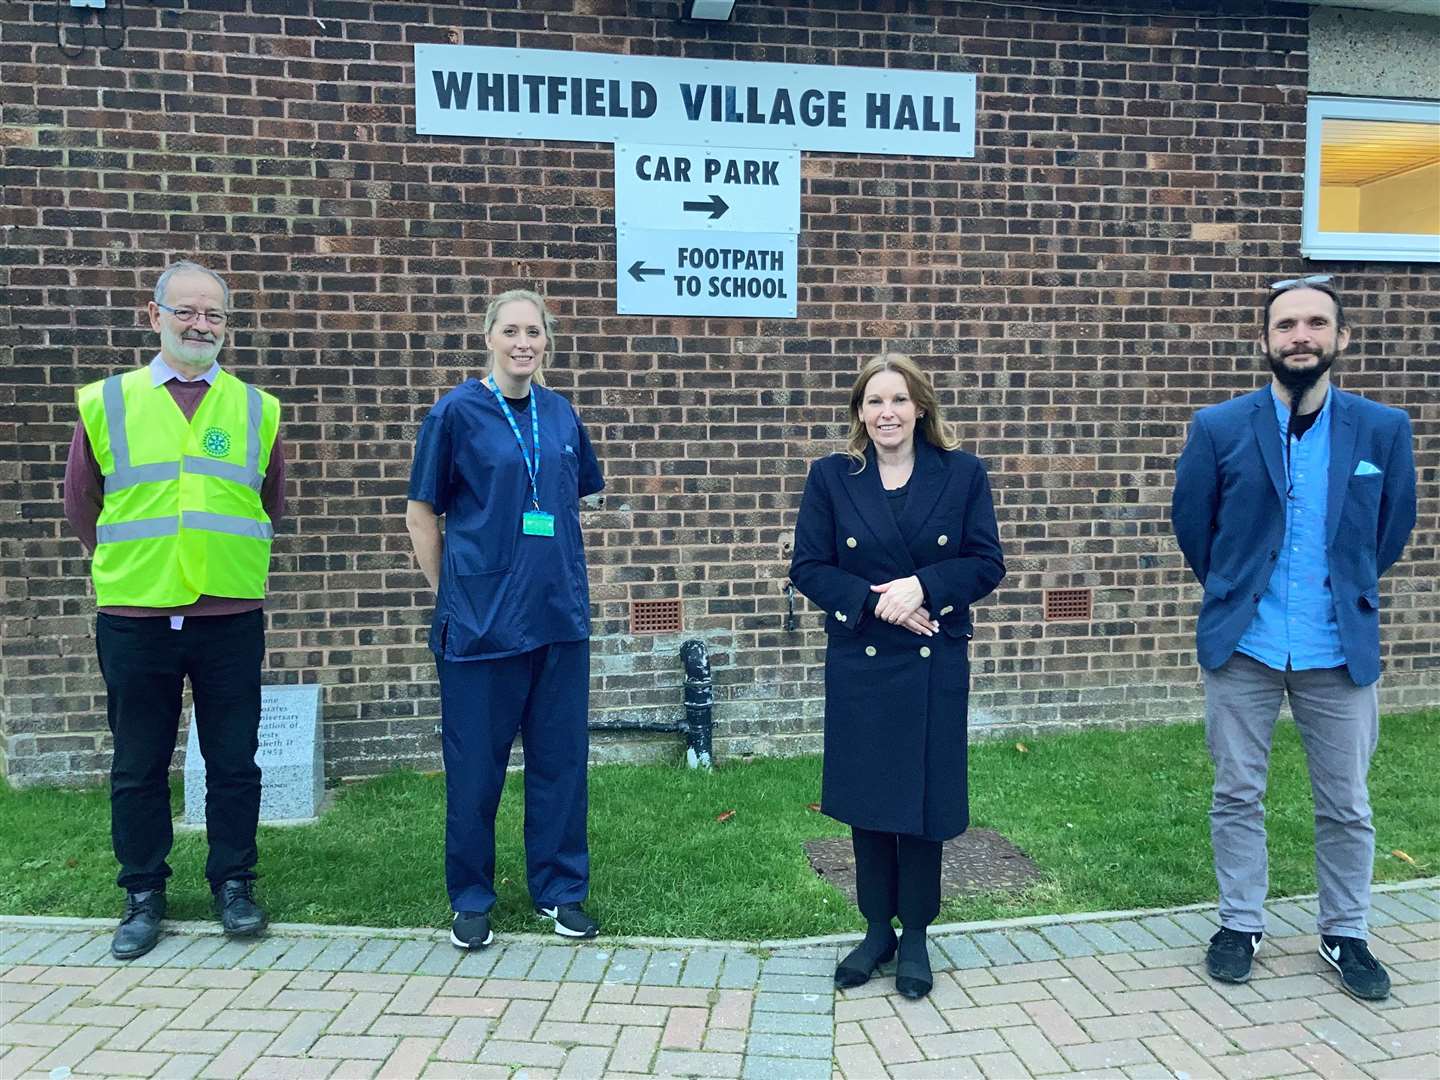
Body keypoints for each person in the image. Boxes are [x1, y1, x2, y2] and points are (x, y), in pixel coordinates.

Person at [1171, 275, 1417, 1001]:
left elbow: (1390, 529)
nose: (1300, 336)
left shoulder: (1382, 430)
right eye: (1286, 326)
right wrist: (1230, 587)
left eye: (1315, 324)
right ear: (1265, 341)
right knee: (1236, 791)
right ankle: (1240, 924)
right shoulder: (1219, 426)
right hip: (1244, 643)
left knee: (1346, 802)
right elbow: (1195, 523)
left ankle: (1346, 933)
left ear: (1341, 338)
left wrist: (1349, 586)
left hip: (1338, 648)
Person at [64, 261, 284, 959]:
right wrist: (132, 571)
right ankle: (142, 892)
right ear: (153, 314)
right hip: (136, 614)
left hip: (228, 613)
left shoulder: (257, 408)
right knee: (137, 762)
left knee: (234, 760)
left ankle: (235, 883)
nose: (200, 325)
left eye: (214, 315)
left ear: (226, 324)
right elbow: (82, 504)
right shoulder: (108, 402)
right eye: (186, 311)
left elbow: (267, 501)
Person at [789, 353, 1005, 999]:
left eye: (899, 400)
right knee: (868, 801)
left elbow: (986, 562)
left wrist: (923, 587)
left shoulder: (962, 474)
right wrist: (879, 601)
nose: (887, 412)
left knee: (922, 806)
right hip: (862, 659)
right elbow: (808, 566)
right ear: (860, 412)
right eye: (875, 401)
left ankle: (915, 937)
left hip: (934, 659)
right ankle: (875, 931)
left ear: (921, 409)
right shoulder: (832, 477)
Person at [406, 288, 605, 949]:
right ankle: (470, 897)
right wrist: (450, 594)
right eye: (511, 330)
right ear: (489, 337)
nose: (524, 342)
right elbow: (420, 512)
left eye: (535, 332)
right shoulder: (456, 413)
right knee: (474, 769)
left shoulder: (561, 414)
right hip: (480, 624)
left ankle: (560, 890)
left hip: (556, 619)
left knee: (561, 764)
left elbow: (569, 503)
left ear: (547, 342)